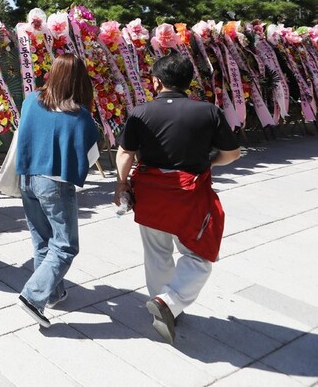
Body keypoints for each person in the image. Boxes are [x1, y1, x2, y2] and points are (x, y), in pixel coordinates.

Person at [115, 52, 241, 345]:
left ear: (157, 81)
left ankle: (164, 303)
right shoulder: (208, 111)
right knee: (199, 255)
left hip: (149, 194)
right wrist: (209, 162)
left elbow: (125, 153)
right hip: (189, 195)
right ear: (187, 82)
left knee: (156, 251)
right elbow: (231, 154)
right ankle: (169, 302)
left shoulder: (140, 112)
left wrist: (121, 185)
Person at [14, 54, 99, 328]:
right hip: (53, 182)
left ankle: (54, 292)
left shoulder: (31, 99)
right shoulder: (79, 115)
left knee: (42, 240)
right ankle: (33, 296)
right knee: (64, 245)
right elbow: (91, 156)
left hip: (27, 177)